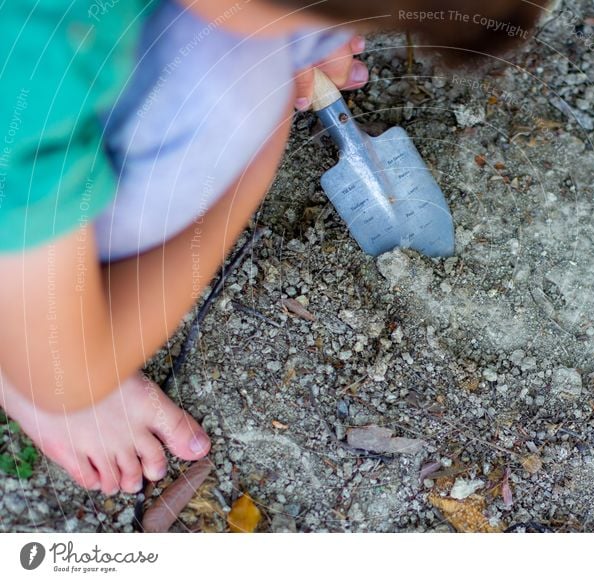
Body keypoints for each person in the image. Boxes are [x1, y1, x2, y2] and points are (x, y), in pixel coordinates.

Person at [0, 0, 542, 495]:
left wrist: (301, 29)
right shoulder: (33, 68)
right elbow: (64, 377)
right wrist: (263, 139)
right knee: (230, 93)